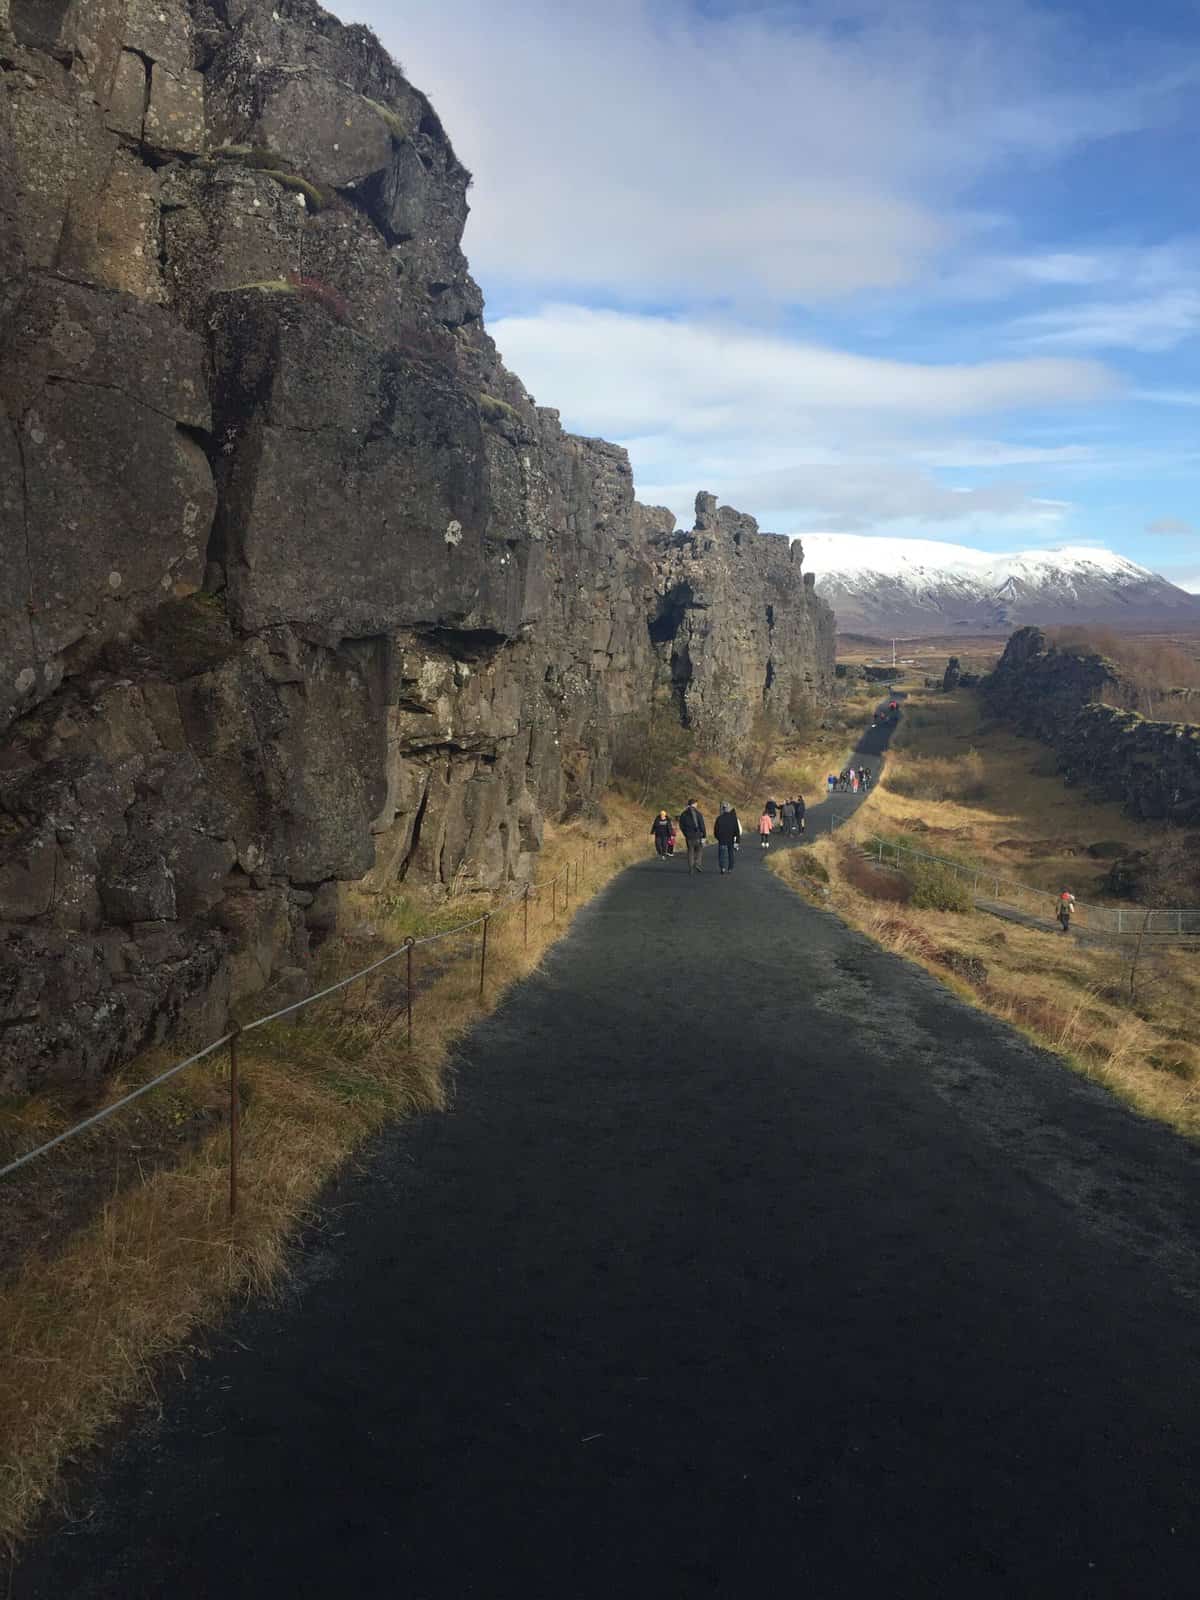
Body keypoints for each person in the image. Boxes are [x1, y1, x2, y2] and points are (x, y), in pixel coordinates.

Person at [678, 799, 707, 873]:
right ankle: (697, 864)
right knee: (699, 850)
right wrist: (704, 835)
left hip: (689, 836)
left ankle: (691, 868)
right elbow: (702, 825)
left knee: (690, 851)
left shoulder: (683, 814)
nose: (697, 805)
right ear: (694, 804)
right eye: (696, 804)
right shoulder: (698, 813)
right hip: (698, 835)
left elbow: (681, 825)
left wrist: (685, 833)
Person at [714, 802, 741, 873]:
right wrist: (737, 840)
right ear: (729, 809)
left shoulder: (719, 818)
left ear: (723, 809)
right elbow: (737, 830)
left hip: (722, 838)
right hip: (731, 839)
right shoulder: (733, 818)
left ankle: (722, 867)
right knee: (730, 854)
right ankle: (730, 868)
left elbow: (716, 830)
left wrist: (718, 837)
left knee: (721, 854)